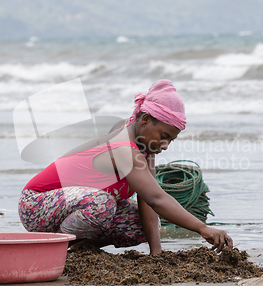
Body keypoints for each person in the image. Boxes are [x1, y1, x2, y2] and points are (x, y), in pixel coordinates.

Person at [18, 79, 232, 255]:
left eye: (171, 141)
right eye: (164, 137)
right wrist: (202, 228)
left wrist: (156, 252)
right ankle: (50, 247)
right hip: (36, 204)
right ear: (146, 119)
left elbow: (147, 201)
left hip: (71, 208)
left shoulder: (142, 142)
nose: (165, 146)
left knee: (145, 226)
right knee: (102, 204)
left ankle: (81, 246)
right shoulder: (123, 149)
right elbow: (158, 199)